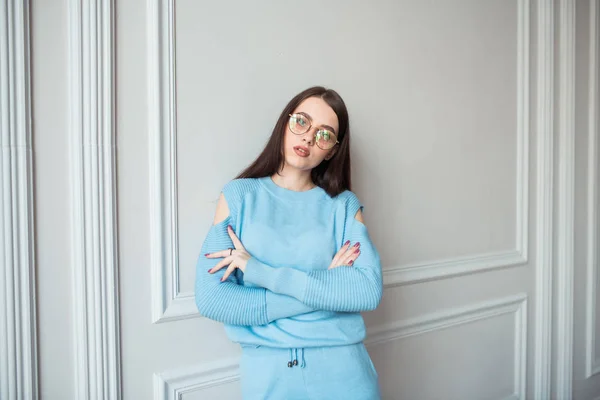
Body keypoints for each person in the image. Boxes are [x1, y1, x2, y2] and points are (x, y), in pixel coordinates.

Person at [195, 86, 383, 400]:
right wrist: (327, 288)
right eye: (302, 122)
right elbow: (213, 299)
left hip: (346, 374)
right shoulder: (239, 197)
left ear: (333, 150)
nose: (309, 137)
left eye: (324, 134)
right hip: (270, 377)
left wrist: (260, 272)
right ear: (285, 124)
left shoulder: (344, 206)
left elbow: (366, 291)